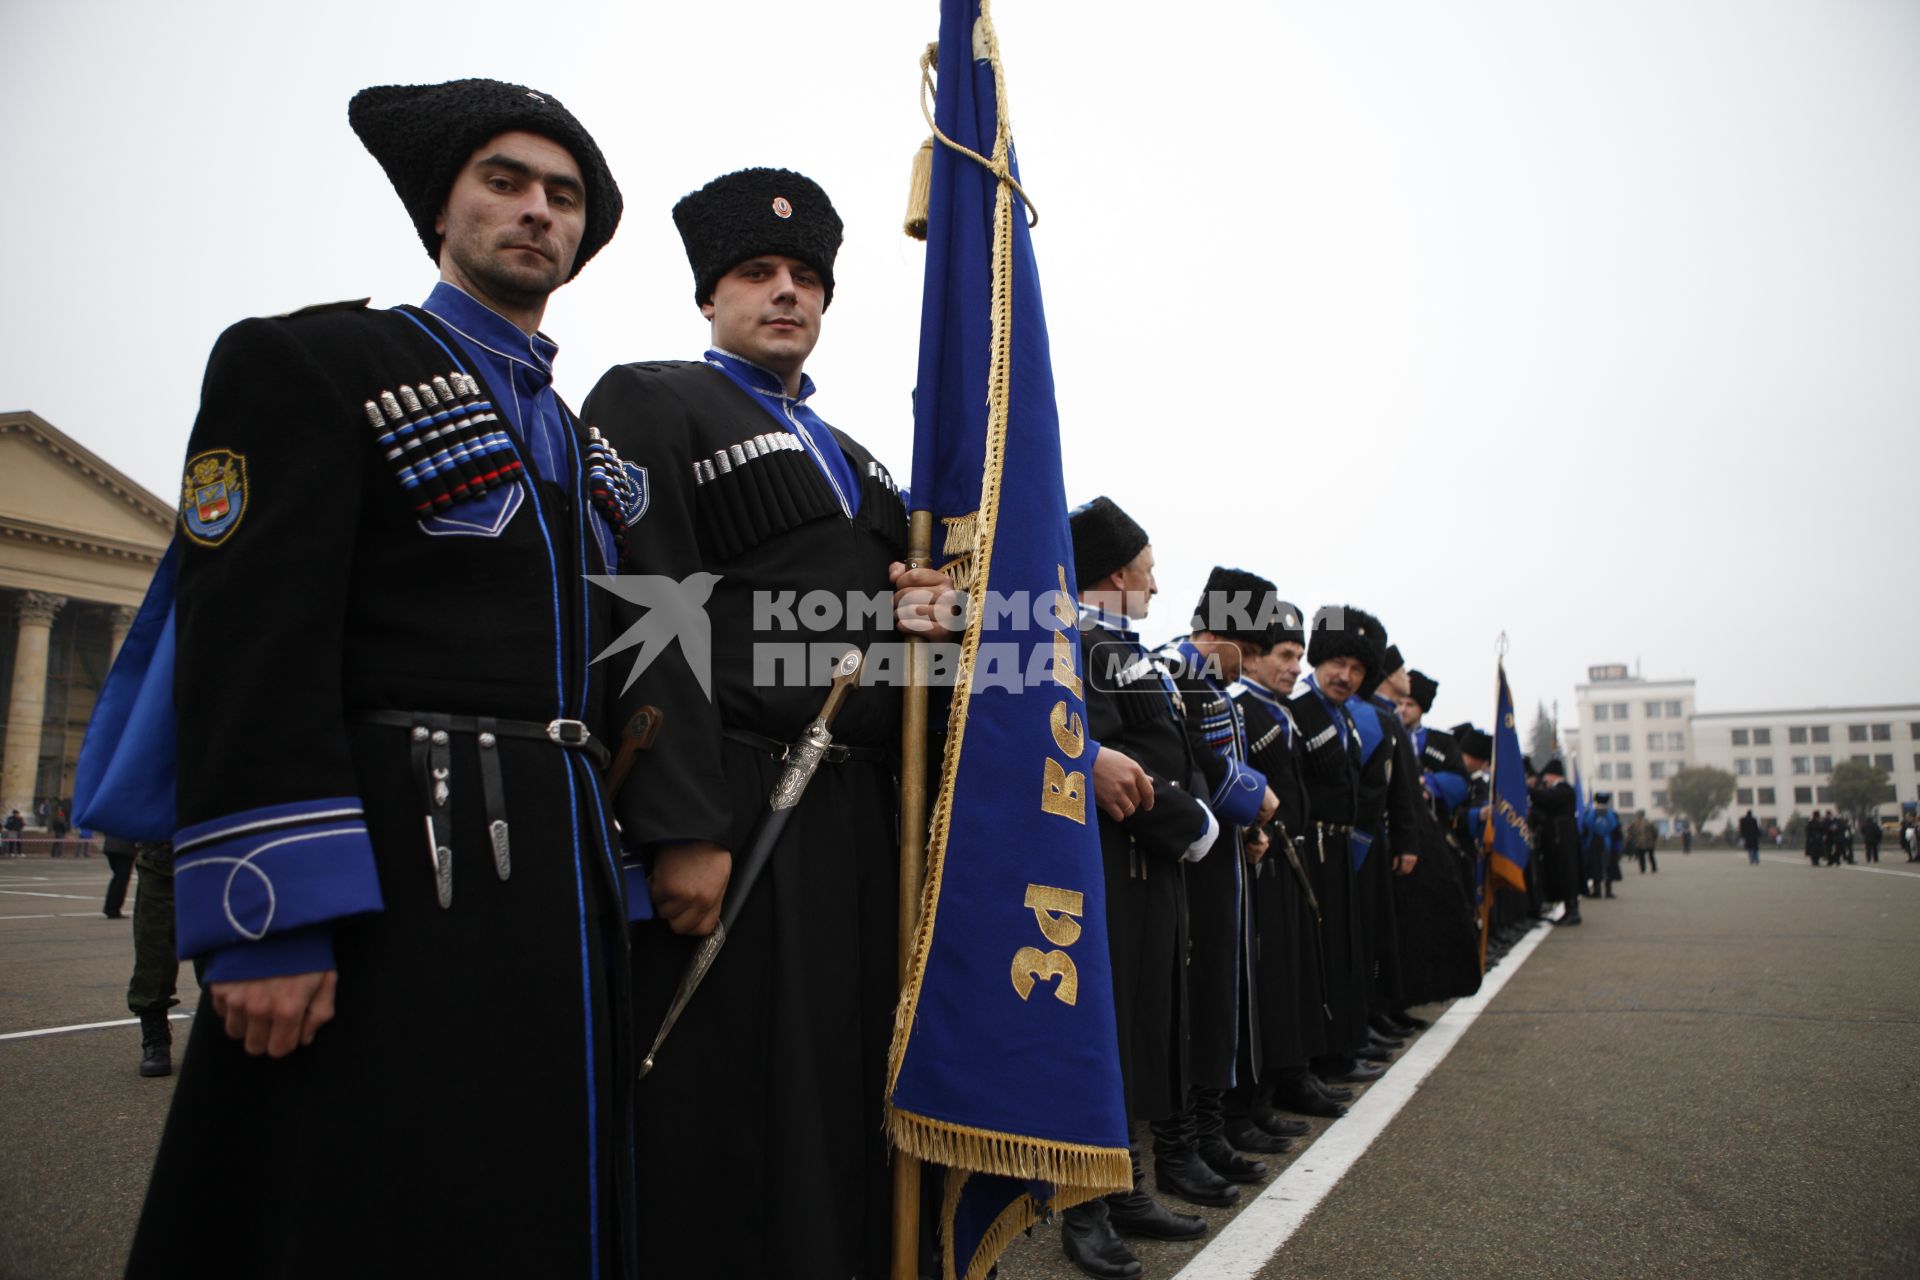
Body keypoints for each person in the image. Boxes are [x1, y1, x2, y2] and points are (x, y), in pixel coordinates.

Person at [127, 78, 637, 1278]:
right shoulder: (314, 358)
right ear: (440, 210)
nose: (535, 212)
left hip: (554, 875)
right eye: (502, 182)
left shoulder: (576, 436)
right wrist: (271, 914)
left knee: (524, 1189)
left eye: (562, 196)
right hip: (395, 867)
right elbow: (250, 638)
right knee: (367, 1193)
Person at [582, 166, 955, 1280]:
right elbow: (647, 609)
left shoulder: (868, 462)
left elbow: (882, 646)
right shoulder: (652, 399)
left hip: (859, 820)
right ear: (710, 294)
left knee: (840, 1086)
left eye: (806, 278)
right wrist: (679, 821)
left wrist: (924, 623)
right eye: (757, 273)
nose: (785, 293)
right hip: (739, 798)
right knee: (728, 1096)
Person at [1062, 498, 1216, 1279]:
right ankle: (1082, 1208)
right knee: (1103, 1036)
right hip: (1113, 866)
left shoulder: (1119, 648)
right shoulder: (1083, 646)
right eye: (1148, 572)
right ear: (1117, 573)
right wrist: (1195, 824)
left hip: (1144, 867)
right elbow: (1117, 763)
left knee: (1135, 1031)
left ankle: (1123, 1189)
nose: (1155, 588)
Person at [1530, 761, 1582, 925]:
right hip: (1558, 838)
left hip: (1563, 839)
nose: (1545, 781)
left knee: (1567, 874)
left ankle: (1572, 911)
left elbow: (1547, 799)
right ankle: (1569, 910)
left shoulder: (1564, 790)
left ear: (1553, 775)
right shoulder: (1561, 791)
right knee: (1561, 874)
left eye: (1546, 777)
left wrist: (1527, 789)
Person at [1582, 792, 1624, 898]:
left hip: (1593, 843)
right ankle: (1608, 891)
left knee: (1594, 866)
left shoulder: (1589, 814)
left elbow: (1584, 831)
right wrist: (1618, 847)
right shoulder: (1613, 814)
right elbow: (1617, 833)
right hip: (1608, 843)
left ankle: (1596, 891)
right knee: (1608, 866)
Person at [101, 834, 136, 919]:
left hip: (110, 846)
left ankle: (110, 907)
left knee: (117, 878)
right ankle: (112, 909)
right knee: (121, 880)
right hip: (124, 849)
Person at [1627, 809, 1659, 874]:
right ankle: (1654, 868)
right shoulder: (1649, 822)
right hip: (1649, 842)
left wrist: (1632, 838)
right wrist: (1654, 839)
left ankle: (1642, 869)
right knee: (1651, 856)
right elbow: (1655, 832)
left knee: (1641, 857)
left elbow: (1629, 831)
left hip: (1639, 843)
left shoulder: (1634, 823)